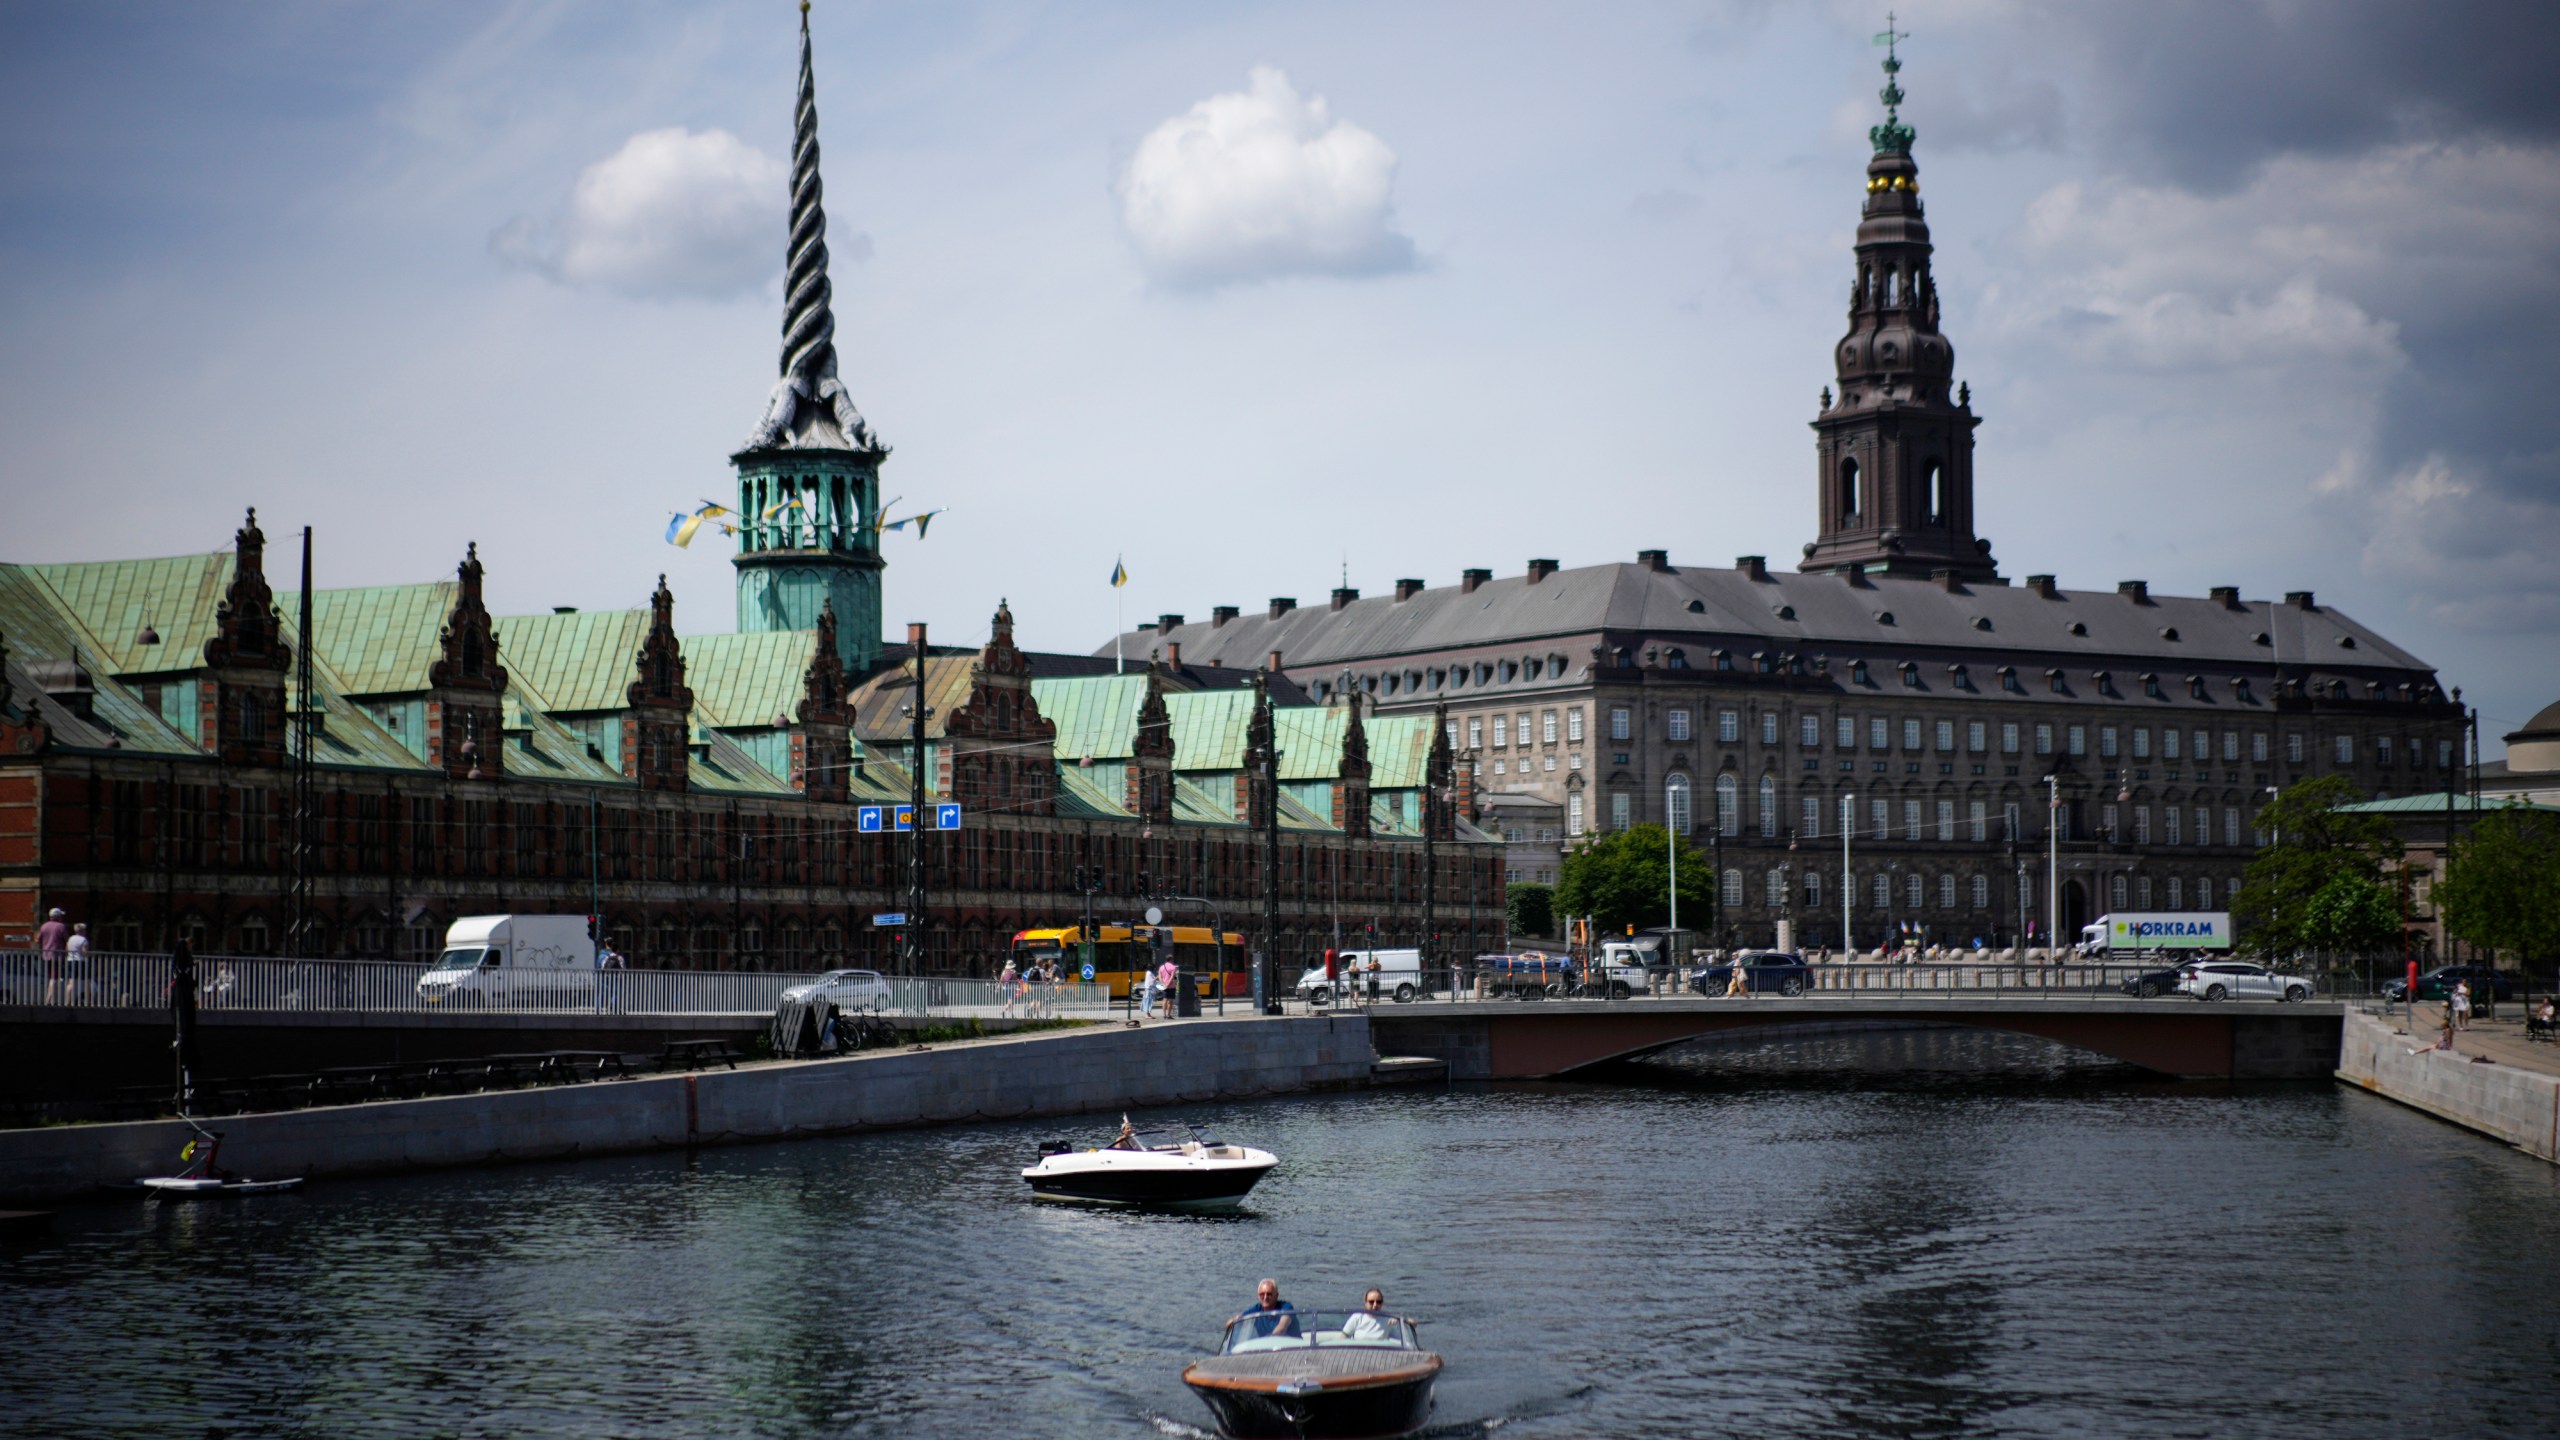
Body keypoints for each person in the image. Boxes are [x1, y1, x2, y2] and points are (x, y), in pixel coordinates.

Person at [36, 907, 69, 1004]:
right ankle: (50, 1000)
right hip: (58, 955)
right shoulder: (61, 926)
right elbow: (66, 940)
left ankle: (49, 999)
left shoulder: (44, 926)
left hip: (46, 955)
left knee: (52, 977)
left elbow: (38, 940)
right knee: (55, 978)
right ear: (58, 917)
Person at [64, 922, 91, 1005]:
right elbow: (84, 952)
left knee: (71, 982)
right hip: (81, 961)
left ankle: (67, 1001)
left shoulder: (71, 938)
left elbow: (67, 949)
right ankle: (87, 1001)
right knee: (86, 982)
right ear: (83, 931)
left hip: (70, 960)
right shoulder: (83, 940)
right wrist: (91, 954)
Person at [597, 937, 625, 1012]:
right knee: (614, 993)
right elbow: (623, 969)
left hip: (605, 978)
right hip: (616, 977)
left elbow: (600, 967)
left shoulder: (603, 956)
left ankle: (598, 1010)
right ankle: (613, 1009)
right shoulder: (619, 958)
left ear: (606, 944)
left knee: (601, 993)